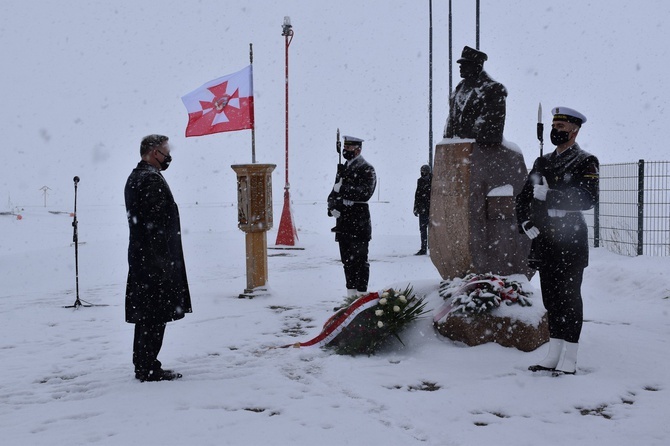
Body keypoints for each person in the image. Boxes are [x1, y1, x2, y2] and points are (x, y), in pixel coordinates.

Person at [515, 107, 599, 375]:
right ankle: (553, 354)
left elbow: (588, 198)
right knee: (551, 299)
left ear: (575, 131)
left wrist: (552, 196)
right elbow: (523, 196)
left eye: (562, 127)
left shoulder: (586, 161)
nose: (556, 131)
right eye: (555, 126)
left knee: (570, 298)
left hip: (571, 242)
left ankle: (570, 357)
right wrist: (525, 222)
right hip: (544, 241)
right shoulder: (542, 162)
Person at [124, 134, 192, 382]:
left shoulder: (137, 176)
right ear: (154, 153)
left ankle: (144, 363)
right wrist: (163, 262)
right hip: (154, 260)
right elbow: (155, 226)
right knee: (153, 316)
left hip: (144, 258)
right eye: (165, 151)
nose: (168, 156)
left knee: (147, 316)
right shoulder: (149, 180)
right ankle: (147, 367)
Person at [327, 135, 377, 297]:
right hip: (343, 222)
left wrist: (342, 188)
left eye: (349, 148)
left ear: (358, 150)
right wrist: (332, 207)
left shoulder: (367, 168)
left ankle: (361, 296)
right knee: (347, 262)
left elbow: (365, 193)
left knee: (360, 261)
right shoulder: (343, 169)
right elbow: (333, 193)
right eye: (345, 148)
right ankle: (350, 297)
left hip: (359, 221)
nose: (346, 151)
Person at [443, 46, 507, 147]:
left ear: (477, 66)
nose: (460, 67)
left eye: (465, 64)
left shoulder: (493, 89)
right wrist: (449, 141)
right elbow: (451, 122)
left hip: (480, 153)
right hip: (456, 152)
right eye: (461, 64)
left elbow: (491, 130)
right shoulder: (458, 89)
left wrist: (468, 141)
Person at [413, 164, 432, 255]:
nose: (423, 173)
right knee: (423, 229)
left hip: (431, 209)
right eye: (422, 171)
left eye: (424, 171)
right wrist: (416, 208)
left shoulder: (433, 181)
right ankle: (423, 248)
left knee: (432, 229)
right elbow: (417, 195)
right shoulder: (420, 181)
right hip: (423, 209)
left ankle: (431, 248)